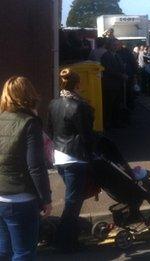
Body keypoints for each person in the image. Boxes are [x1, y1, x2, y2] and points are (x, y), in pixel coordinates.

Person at [0, 77, 52, 260]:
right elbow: (36, 166)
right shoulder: (30, 123)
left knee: (4, 251)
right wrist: (46, 198)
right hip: (20, 198)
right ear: (29, 94)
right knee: (24, 253)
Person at [48, 68, 95, 252]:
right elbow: (87, 136)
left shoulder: (53, 104)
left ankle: (69, 236)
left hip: (59, 156)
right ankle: (64, 241)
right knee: (72, 202)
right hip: (76, 158)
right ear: (77, 84)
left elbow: (50, 130)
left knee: (72, 198)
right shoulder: (79, 106)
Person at [100, 39, 126, 128]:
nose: (116, 46)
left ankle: (115, 122)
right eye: (114, 45)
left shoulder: (117, 55)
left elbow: (120, 67)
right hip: (109, 85)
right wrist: (121, 75)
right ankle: (106, 124)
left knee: (116, 105)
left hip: (118, 84)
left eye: (117, 45)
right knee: (108, 105)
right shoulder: (106, 56)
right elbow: (109, 70)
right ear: (109, 46)